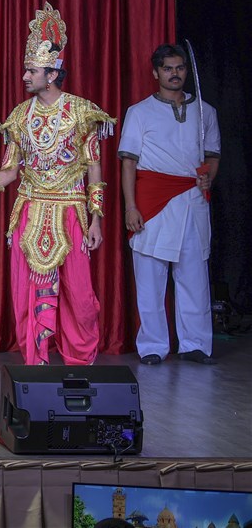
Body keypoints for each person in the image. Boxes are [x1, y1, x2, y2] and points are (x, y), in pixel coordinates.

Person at [0, 2, 115, 366]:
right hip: (30, 212)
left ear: (52, 74)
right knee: (27, 296)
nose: (24, 76)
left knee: (80, 298)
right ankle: (36, 367)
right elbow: (9, 171)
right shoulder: (19, 116)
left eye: (31, 70)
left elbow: (94, 169)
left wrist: (96, 219)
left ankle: (80, 364)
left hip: (70, 213)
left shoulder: (82, 112)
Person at [118, 44, 221, 366]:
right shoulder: (139, 112)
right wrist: (130, 206)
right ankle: (153, 346)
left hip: (192, 199)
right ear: (156, 73)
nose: (174, 74)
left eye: (179, 68)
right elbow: (128, 164)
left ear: (186, 71)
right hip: (152, 202)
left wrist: (208, 178)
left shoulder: (205, 111)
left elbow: (212, 156)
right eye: (167, 68)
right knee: (150, 278)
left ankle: (195, 344)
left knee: (194, 276)